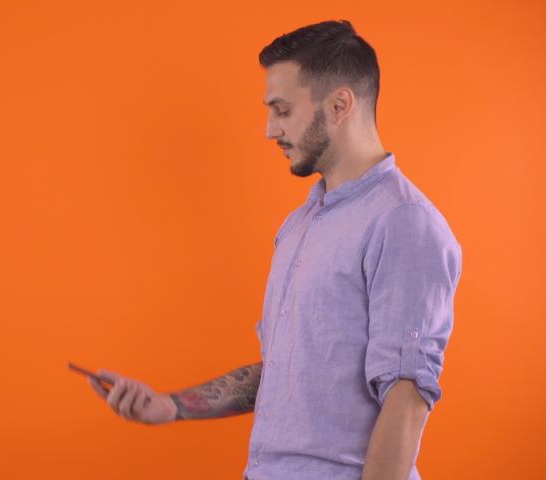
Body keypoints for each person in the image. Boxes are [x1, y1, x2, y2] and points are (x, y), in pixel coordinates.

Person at [84, 20, 462, 480]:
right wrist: (170, 406)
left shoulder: (402, 222)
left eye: (282, 110)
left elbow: (407, 396)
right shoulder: (299, 225)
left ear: (340, 104)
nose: (269, 129)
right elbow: (285, 370)